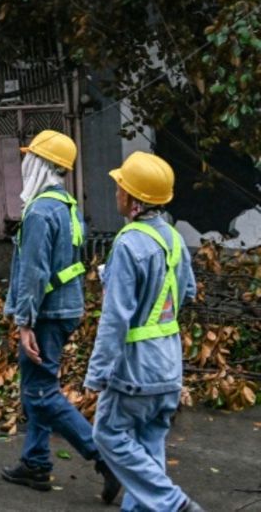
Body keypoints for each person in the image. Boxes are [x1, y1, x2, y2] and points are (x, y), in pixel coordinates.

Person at [1, 130, 120, 501]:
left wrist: (24, 323)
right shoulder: (66, 205)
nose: (24, 164)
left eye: (29, 158)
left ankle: (103, 458)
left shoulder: (38, 212)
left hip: (46, 314)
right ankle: (36, 462)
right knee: (37, 387)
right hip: (66, 308)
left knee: (39, 392)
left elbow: (34, 274)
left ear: (39, 164)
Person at [85, 151, 203, 511]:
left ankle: (173, 504)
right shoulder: (173, 238)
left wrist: (97, 373)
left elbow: (115, 319)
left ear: (134, 199)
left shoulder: (128, 243)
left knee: (108, 434)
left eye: (121, 186)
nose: (116, 191)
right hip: (168, 365)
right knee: (148, 446)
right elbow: (187, 292)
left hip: (134, 369)